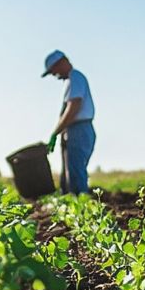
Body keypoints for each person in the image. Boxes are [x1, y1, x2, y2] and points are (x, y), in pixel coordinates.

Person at [41, 50, 96, 195]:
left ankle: (80, 206)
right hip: (74, 130)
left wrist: (56, 132)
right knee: (71, 172)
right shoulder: (70, 81)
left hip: (79, 129)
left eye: (53, 70)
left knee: (76, 173)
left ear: (61, 63)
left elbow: (73, 107)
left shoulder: (75, 77)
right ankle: (72, 202)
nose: (54, 75)